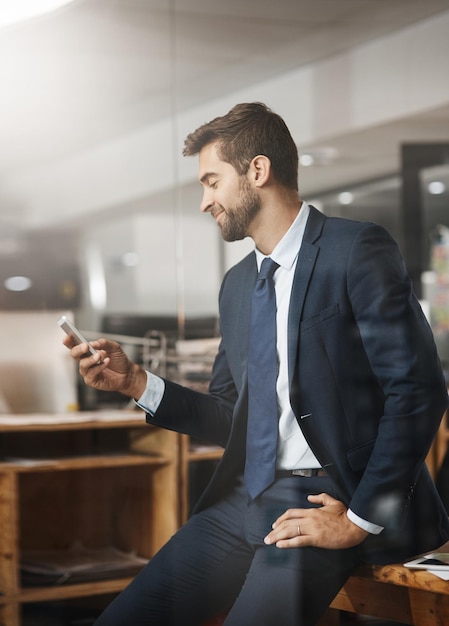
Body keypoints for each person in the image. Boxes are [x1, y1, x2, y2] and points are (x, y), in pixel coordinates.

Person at [64, 102, 449, 626]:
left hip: (326, 499)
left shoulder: (355, 249)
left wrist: (358, 520)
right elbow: (231, 415)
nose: (205, 202)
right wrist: (136, 383)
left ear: (257, 171)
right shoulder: (239, 285)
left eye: (212, 181)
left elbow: (418, 390)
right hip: (243, 495)